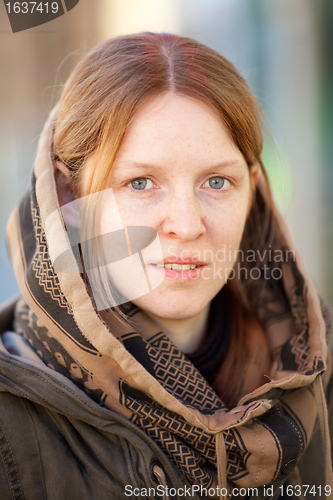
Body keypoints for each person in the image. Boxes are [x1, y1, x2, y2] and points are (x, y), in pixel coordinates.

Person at [0, 32, 332, 500]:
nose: (187, 224)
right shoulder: (10, 429)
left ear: (252, 191)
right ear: (68, 200)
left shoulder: (318, 375)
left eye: (217, 181)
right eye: (140, 183)